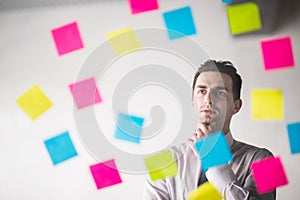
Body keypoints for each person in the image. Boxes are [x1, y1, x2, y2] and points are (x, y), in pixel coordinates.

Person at [143, 60, 276, 200]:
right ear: (193, 101)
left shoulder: (267, 161)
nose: (208, 99)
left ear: (236, 106)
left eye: (220, 93)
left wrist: (215, 161)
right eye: (201, 91)